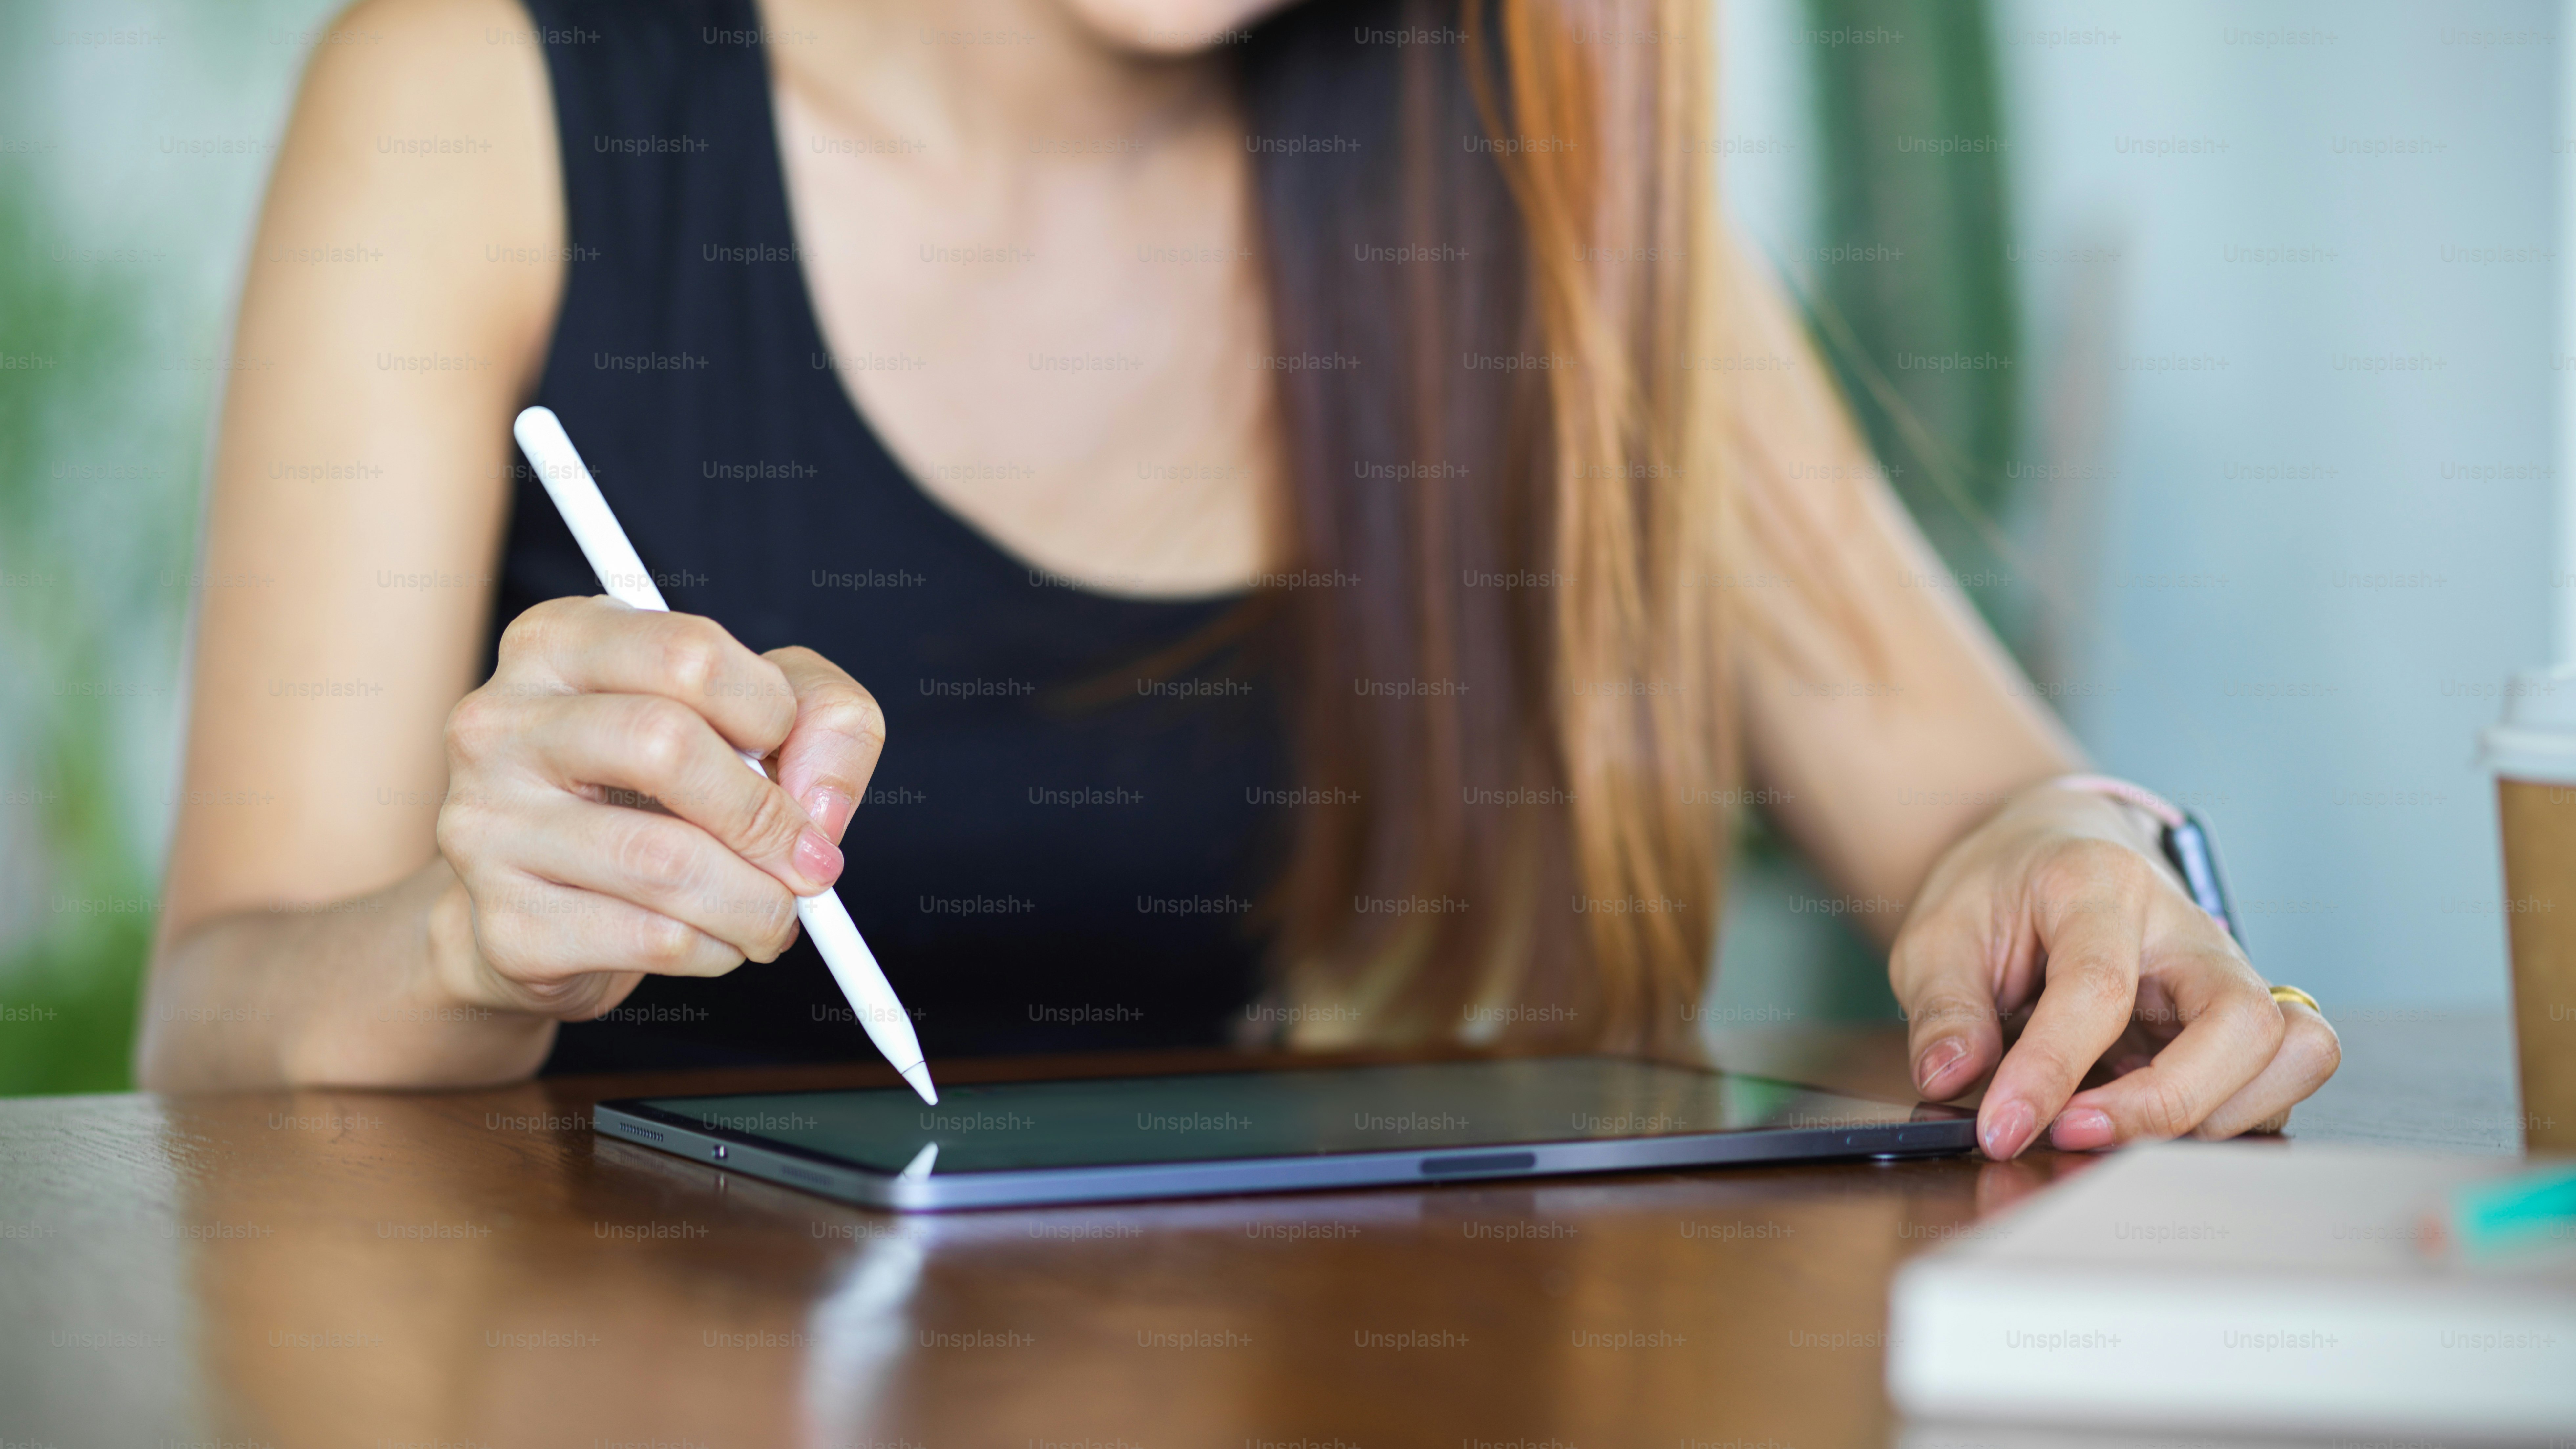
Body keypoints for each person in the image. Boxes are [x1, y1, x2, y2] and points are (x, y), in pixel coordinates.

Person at [137, 0, 2339, 1162]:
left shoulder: (1529, 172)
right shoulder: (476, 102)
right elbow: (213, 1025)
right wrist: (468, 944)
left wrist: (2074, 859)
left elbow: (1998, 808)